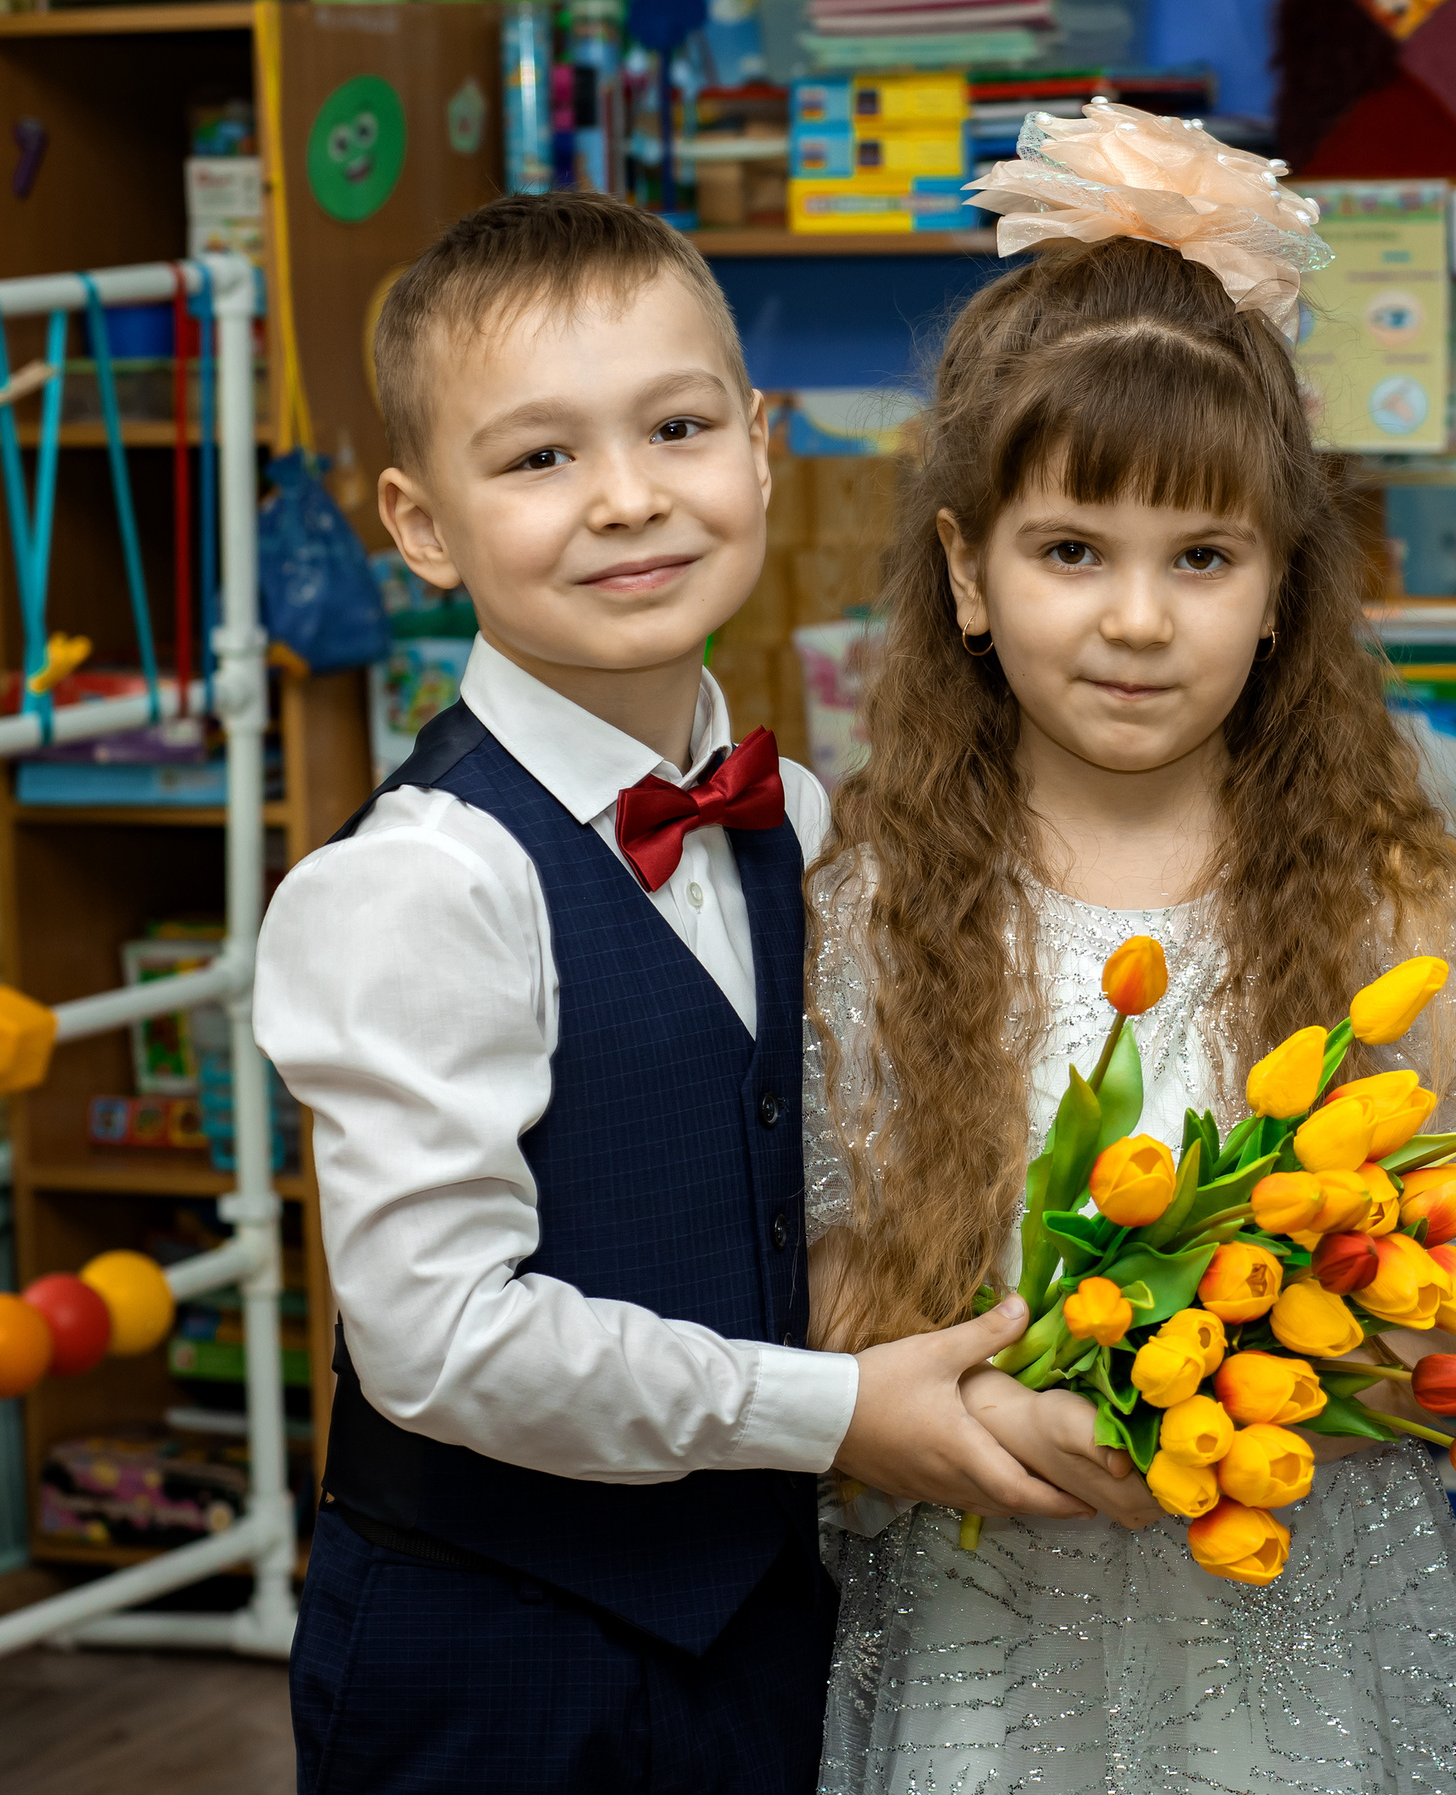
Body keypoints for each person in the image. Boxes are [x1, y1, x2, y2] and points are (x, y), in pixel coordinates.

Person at [258, 191, 1085, 1795]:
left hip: (762, 1627)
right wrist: (833, 1409)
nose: (629, 499)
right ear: (421, 526)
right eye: (538, 458)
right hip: (493, 1657)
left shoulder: (804, 824)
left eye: (678, 427)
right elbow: (437, 1341)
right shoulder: (421, 885)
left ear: (760, 444)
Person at [801, 103, 1456, 1795]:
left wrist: (1299, 1362)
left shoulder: (1388, 914)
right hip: (984, 1629)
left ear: (1284, 582)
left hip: (1306, 1641)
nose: (1138, 619)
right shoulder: (876, 915)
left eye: (1202, 557)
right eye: (1073, 551)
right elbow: (831, 1288)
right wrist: (1001, 1415)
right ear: (969, 571)